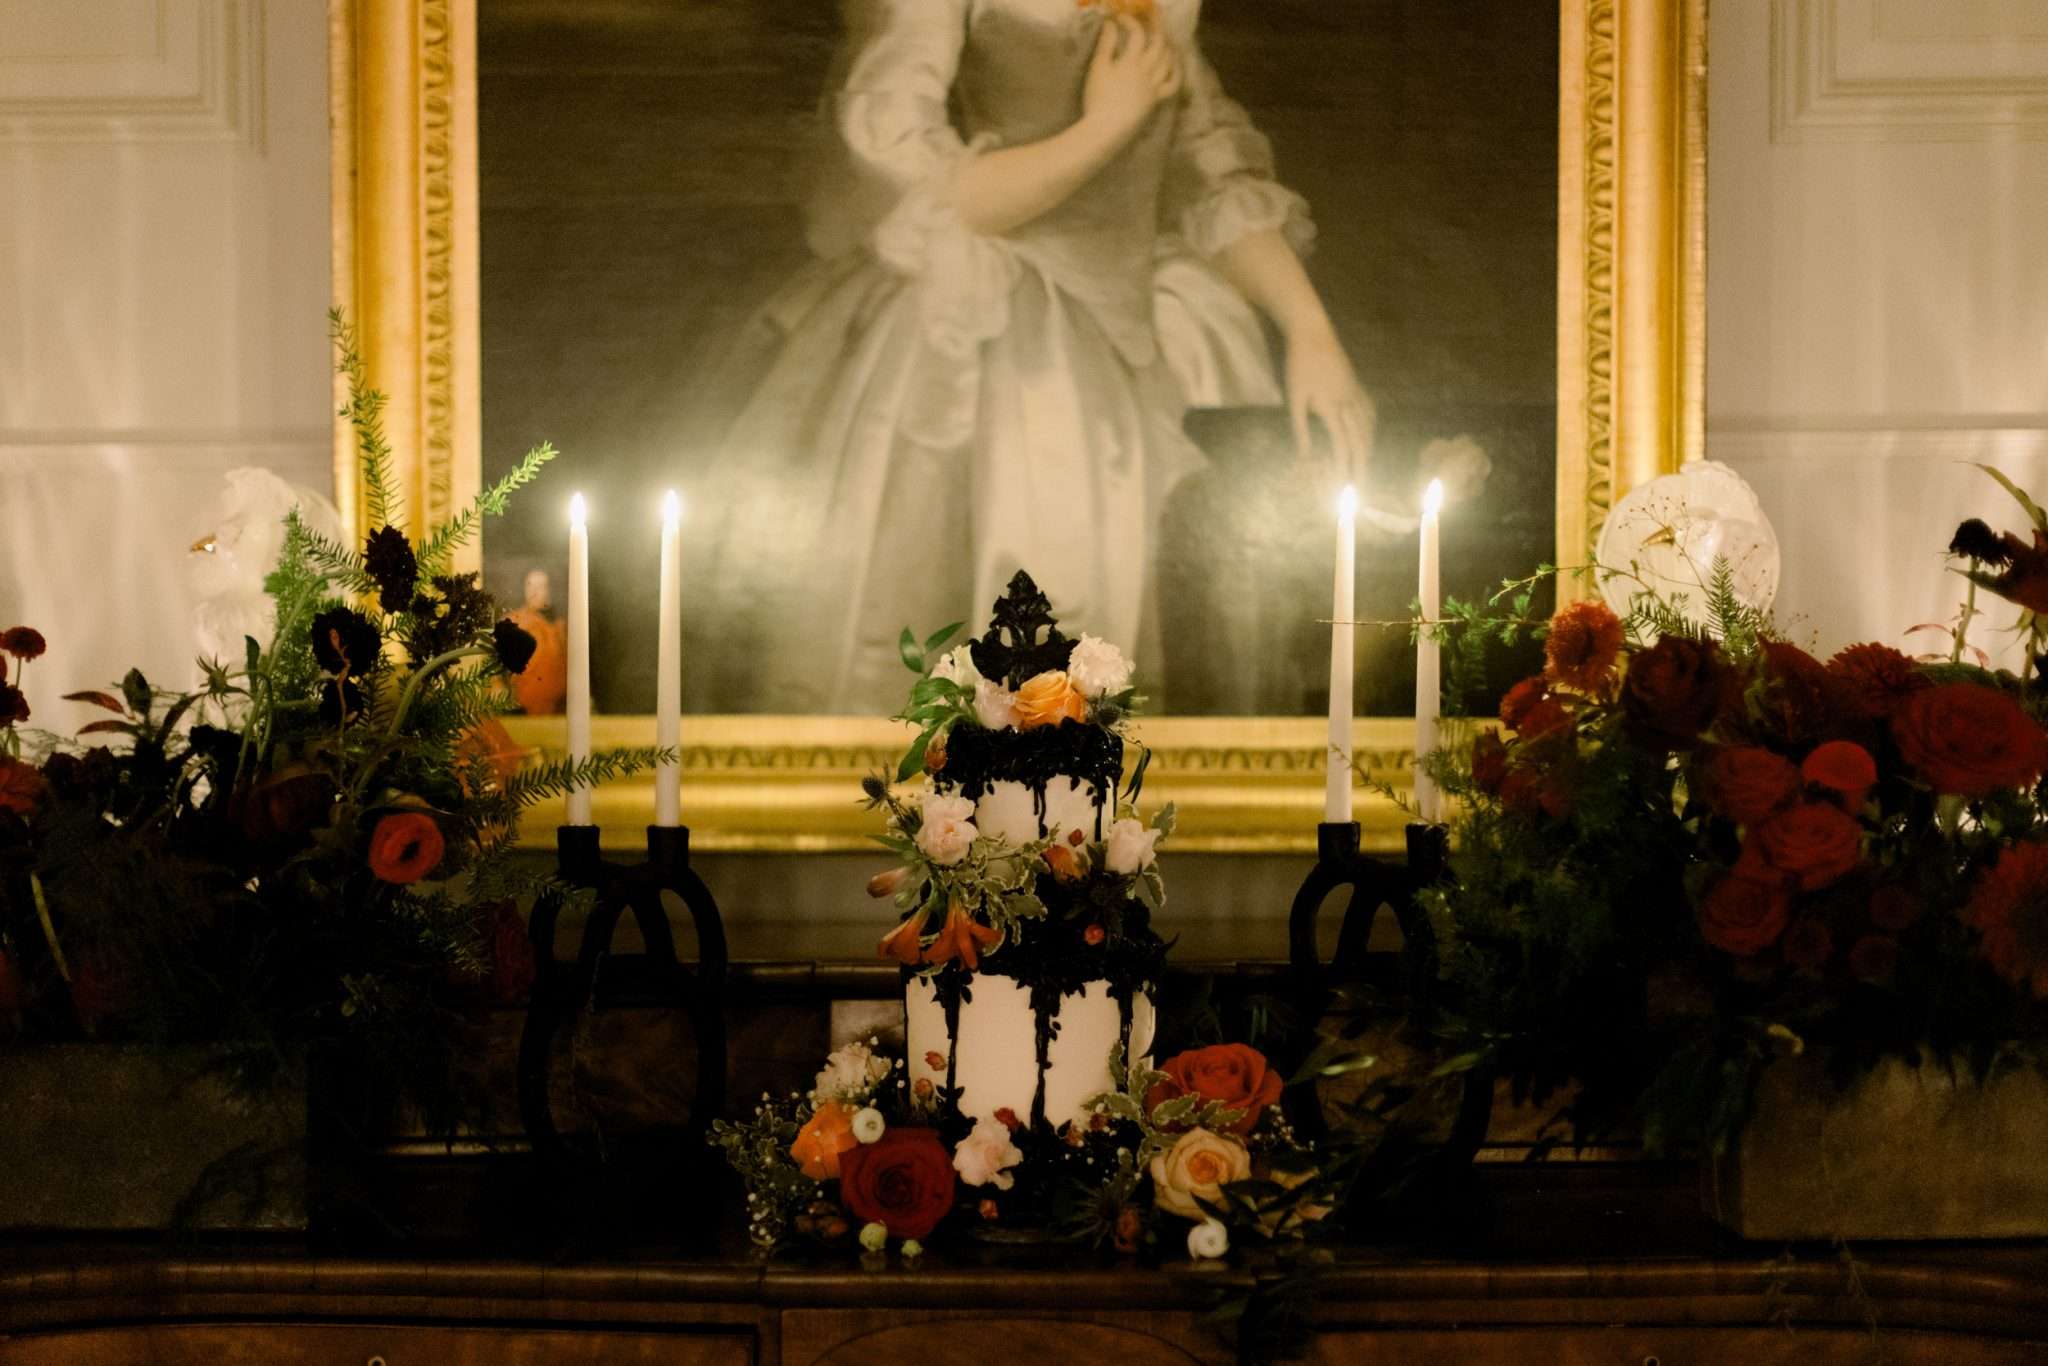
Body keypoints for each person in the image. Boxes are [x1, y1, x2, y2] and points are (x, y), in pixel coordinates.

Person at [690, 0, 1371, 712]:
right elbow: (925, 187)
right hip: (994, 338)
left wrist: (1309, 328)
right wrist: (1105, 125)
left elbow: (1207, 170)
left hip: (1149, 333)